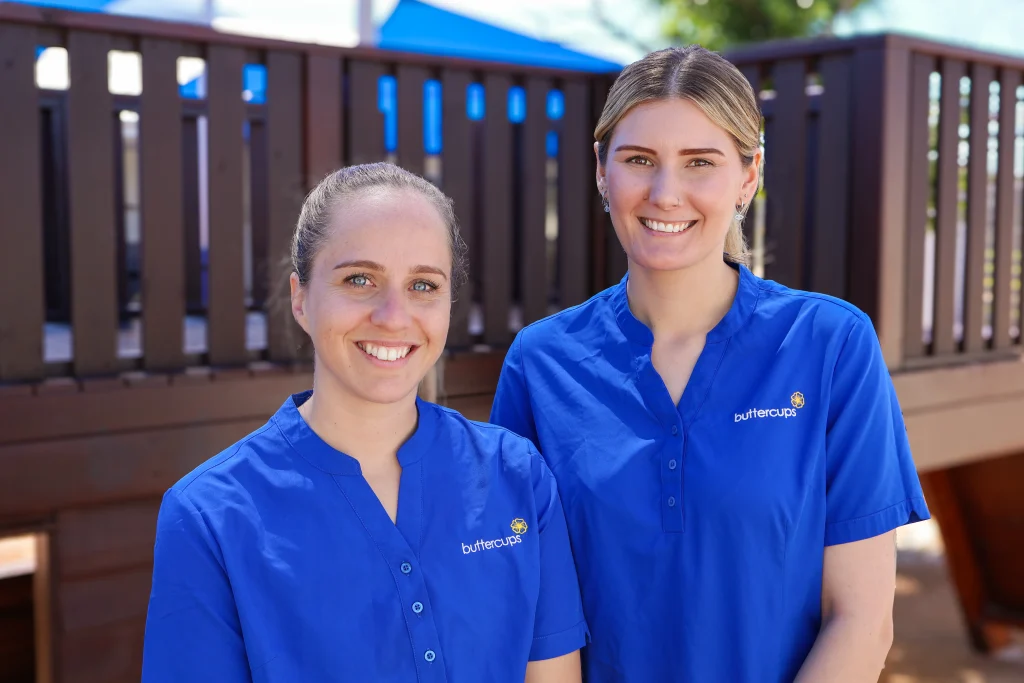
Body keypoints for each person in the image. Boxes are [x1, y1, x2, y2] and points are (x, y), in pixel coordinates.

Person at [490, 46, 930, 683]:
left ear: (749, 176)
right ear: (601, 170)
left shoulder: (831, 344)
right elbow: (533, 617)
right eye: (639, 160)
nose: (666, 193)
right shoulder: (541, 363)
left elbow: (861, 620)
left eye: (700, 162)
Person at [142, 162, 588, 683]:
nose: (394, 316)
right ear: (300, 298)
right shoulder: (209, 516)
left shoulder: (518, 476)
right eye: (359, 279)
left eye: (423, 285)